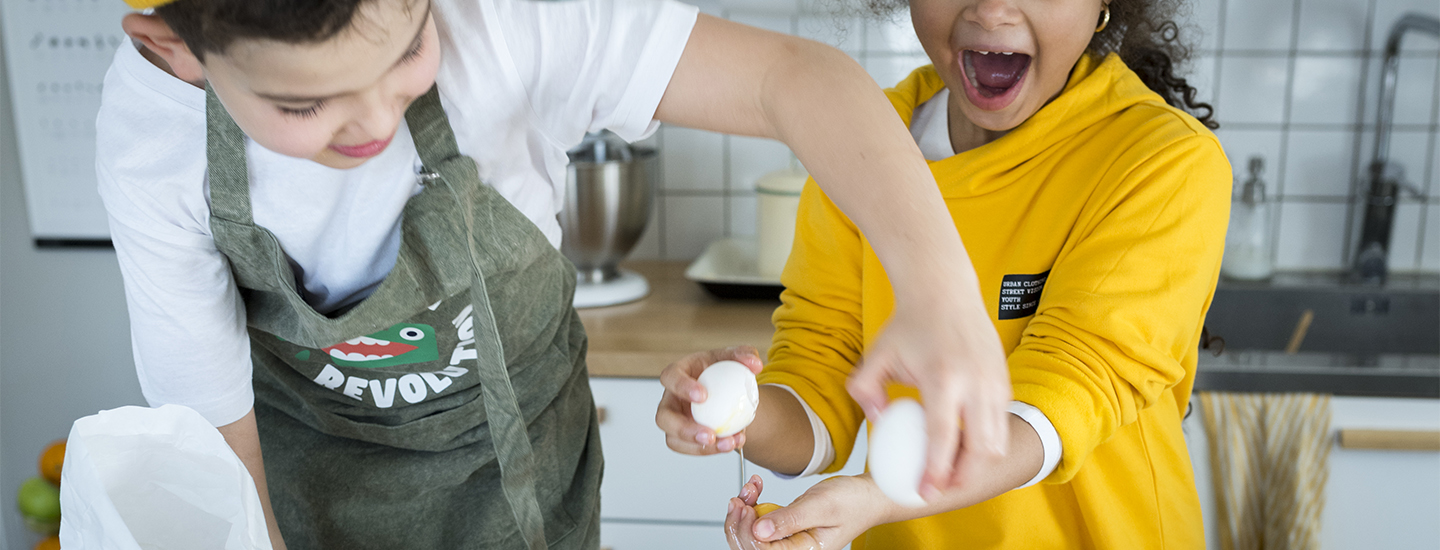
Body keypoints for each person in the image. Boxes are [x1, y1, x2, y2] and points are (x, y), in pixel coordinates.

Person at [97, 0, 1017, 548]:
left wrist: (941, 295)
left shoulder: (504, 19)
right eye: (304, 103)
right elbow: (207, 422)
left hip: (526, 484)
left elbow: (795, 77)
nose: (376, 120)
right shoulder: (155, 140)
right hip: (307, 497)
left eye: (408, 49)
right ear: (170, 46)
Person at [654, 0, 1230, 547]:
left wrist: (880, 497)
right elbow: (821, 375)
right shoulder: (857, 140)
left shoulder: (1164, 161)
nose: (991, 10)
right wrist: (739, 412)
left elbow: (1068, 394)